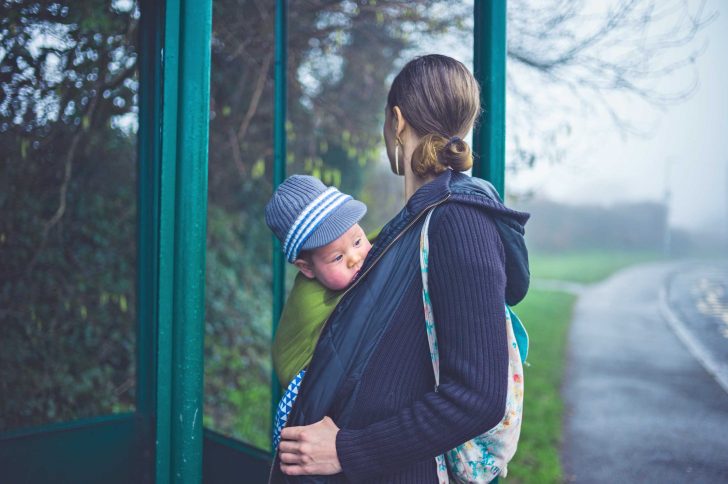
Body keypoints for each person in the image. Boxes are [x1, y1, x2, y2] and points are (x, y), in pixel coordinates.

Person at [270, 54, 530, 483]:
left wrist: (347, 450)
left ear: (397, 121)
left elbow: (478, 398)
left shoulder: (457, 221)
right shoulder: (418, 222)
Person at [265, 174, 373, 448]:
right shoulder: (308, 300)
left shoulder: (349, 262)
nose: (354, 258)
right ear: (307, 268)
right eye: (337, 257)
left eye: (358, 241)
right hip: (302, 381)